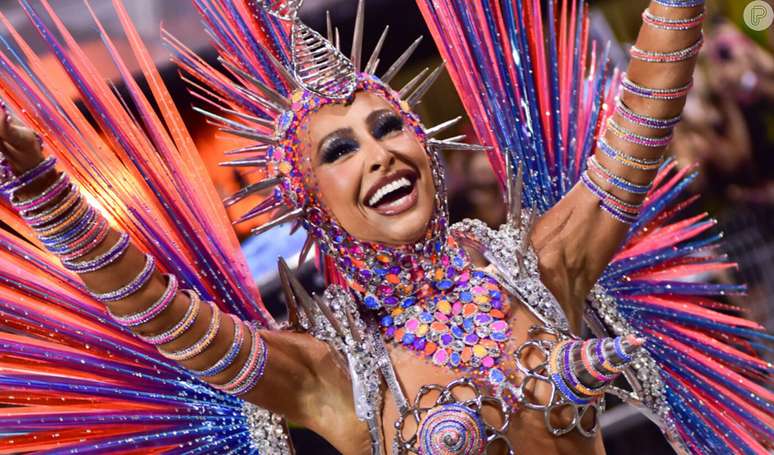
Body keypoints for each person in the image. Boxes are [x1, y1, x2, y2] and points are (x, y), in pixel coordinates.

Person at [0, 0, 769, 454]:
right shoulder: (333, 373)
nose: (379, 154)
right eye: (340, 148)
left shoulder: (538, 265)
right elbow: (157, 309)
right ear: (311, 198)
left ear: (427, 150)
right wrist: (39, 184)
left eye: (389, 126)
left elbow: (642, 117)